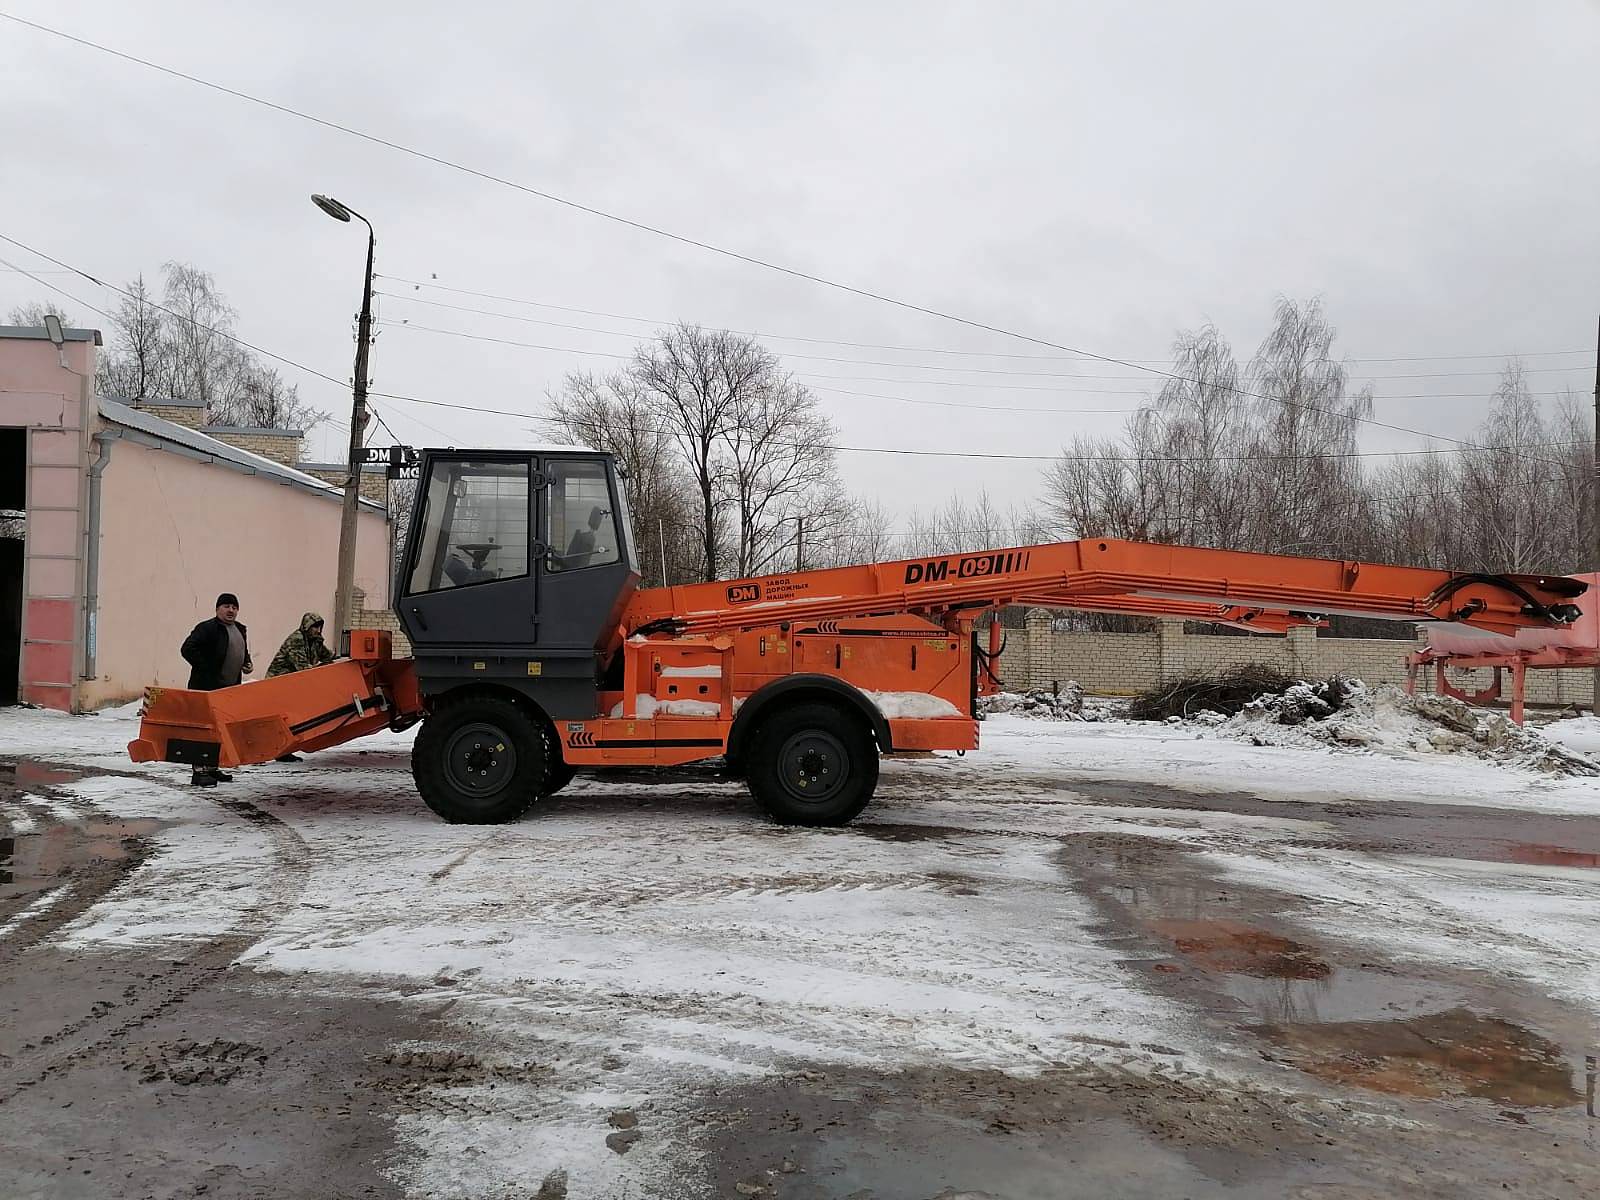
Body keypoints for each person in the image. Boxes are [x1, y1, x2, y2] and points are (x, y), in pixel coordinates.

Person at [179, 592, 251, 787]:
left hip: (228, 691)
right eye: (226, 606)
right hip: (206, 689)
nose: (231, 610)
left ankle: (212, 767)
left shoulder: (239, 629)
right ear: (218, 608)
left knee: (220, 730)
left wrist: (246, 662)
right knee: (204, 729)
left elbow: (242, 651)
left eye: (234, 607)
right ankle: (199, 771)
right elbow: (187, 649)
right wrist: (208, 669)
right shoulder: (207, 628)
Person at [265, 612, 337, 762]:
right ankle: (278, 750)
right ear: (306, 626)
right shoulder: (297, 640)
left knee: (291, 720)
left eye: (319, 627)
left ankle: (285, 750)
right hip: (278, 683)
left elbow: (327, 656)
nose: (317, 630)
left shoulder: (315, 641)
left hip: (292, 684)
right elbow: (303, 668)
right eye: (314, 627)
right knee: (282, 720)